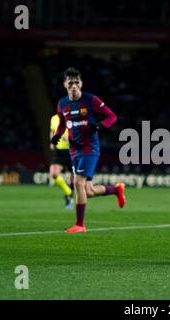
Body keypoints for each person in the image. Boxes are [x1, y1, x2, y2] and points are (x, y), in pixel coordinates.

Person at [51, 67, 126, 233]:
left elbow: (112, 116)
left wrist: (100, 125)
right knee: (88, 191)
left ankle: (80, 225)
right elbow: (63, 124)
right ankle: (116, 190)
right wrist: (57, 135)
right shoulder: (62, 104)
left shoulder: (90, 100)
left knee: (77, 183)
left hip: (90, 148)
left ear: (81, 83)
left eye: (77, 82)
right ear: (65, 84)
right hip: (73, 150)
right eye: (70, 83)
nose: (74, 86)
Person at [49, 113, 74, 209]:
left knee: (74, 179)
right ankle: (68, 191)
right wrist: (52, 141)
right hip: (59, 150)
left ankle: (69, 198)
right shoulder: (54, 118)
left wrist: (68, 139)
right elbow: (52, 131)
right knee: (54, 173)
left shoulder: (73, 118)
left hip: (72, 150)